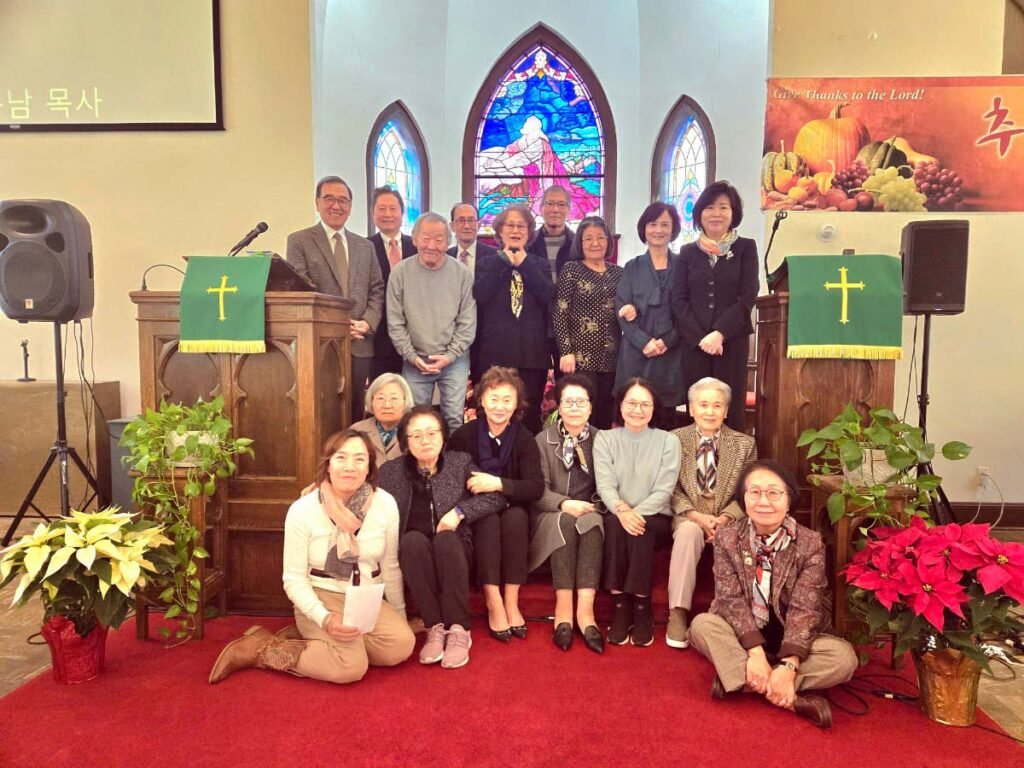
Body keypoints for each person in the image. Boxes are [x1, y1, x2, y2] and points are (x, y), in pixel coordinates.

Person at [209, 430, 414, 685]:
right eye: (341, 458)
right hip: (321, 595)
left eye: (360, 459)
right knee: (350, 667)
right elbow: (293, 580)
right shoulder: (303, 510)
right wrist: (324, 619)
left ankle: (315, 641)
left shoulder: (385, 503)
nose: (350, 467)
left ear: (370, 467)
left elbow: (390, 566)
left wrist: (399, 616)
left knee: (400, 646)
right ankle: (262, 649)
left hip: (364, 597)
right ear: (328, 464)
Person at [689, 460, 858, 729]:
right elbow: (729, 599)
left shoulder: (809, 543)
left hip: (794, 638)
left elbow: (806, 607)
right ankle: (789, 698)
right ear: (743, 499)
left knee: (844, 659)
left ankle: (743, 680)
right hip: (743, 635)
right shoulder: (727, 538)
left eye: (773, 493)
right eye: (754, 492)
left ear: (789, 500)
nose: (763, 501)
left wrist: (790, 664)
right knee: (701, 625)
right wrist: (755, 653)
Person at [379, 406, 506, 668]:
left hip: (456, 551)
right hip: (415, 555)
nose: (425, 440)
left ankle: (459, 629)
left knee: (446, 539)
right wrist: (322, 486)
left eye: (431, 433)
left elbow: (495, 497)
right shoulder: (390, 472)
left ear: (443, 436)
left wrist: (460, 512)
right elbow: (361, 493)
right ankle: (434, 626)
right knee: (411, 541)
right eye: (416, 435)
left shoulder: (460, 463)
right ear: (405, 441)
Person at [448, 366, 544, 642]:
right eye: (494, 399)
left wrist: (498, 484)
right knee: (487, 519)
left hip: (514, 507)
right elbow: (453, 480)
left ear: (516, 404)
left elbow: (535, 488)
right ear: (481, 400)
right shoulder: (464, 436)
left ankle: (511, 600)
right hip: (476, 509)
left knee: (516, 518)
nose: (500, 406)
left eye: (507, 400)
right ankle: (493, 599)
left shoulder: (525, 438)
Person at [666, 377, 757, 650]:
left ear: (726, 411)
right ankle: (678, 611)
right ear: (691, 408)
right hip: (688, 514)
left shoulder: (744, 444)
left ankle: (735, 616)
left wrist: (725, 518)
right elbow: (668, 487)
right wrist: (696, 516)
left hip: (728, 516)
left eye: (717, 406)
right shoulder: (673, 440)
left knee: (735, 535)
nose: (709, 411)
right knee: (688, 533)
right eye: (703, 404)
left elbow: (747, 491)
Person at [286, 176, 384, 425]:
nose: (336, 206)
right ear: (317, 203)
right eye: (329, 199)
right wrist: (337, 326)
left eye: (343, 200)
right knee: (323, 411)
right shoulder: (299, 241)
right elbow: (302, 291)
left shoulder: (365, 246)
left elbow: (377, 290)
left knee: (355, 411)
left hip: (359, 342)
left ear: (350, 206)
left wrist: (367, 323)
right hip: (320, 343)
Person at [595, 378, 681, 647]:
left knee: (641, 528)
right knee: (613, 525)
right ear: (620, 406)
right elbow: (605, 484)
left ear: (654, 408)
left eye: (645, 404)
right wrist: (622, 510)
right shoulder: (605, 439)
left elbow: (664, 490)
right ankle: (621, 605)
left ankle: (642, 606)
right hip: (617, 511)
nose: (637, 410)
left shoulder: (668, 441)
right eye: (631, 403)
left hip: (656, 515)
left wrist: (633, 514)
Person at [671, 180, 759, 432]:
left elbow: (748, 295)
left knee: (729, 406)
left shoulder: (746, 248)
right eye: (709, 207)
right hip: (695, 344)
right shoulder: (687, 252)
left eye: (723, 207)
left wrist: (719, 333)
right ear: (699, 213)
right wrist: (702, 339)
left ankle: (730, 456)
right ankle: (696, 456)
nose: (716, 213)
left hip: (731, 342)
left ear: (733, 213)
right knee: (698, 406)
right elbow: (678, 299)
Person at [528, 373, 605, 653]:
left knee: (591, 522)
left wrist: (592, 505)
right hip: (551, 512)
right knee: (565, 521)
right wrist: (563, 503)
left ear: (591, 407)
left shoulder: (602, 439)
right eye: (568, 402)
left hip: (590, 508)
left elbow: (609, 486)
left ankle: (586, 612)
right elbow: (537, 489)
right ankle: (563, 609)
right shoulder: (542, 440)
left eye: (581, 402)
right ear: (558, 407)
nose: (574, 407)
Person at [387, 212, 476, 432]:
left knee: (454, 419)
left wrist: (450, 356)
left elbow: (467, 321)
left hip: (454, 360)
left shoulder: (462, 273)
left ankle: (453, 456)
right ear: (414, 239)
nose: (432, 246)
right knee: (415, 420)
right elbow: (395, 322)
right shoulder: (399, 273)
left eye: (439, 240)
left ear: (448, 242)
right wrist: (411, 356)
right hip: (415, 360)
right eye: (426, 238)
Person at [473, 205, 553, 434]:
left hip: (532, 357)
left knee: (529, 416)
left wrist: (524, 264)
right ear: (500, 231)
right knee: (492, 416)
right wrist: (503, 262)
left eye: (521, 226)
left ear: (529, 232)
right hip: (494, 356)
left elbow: (547, 295)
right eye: (510, 225)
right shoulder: (487, 262)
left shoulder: (539, 264)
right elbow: (481, 294)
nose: (516, 230)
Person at [615, 202, 684, 428]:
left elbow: (687, 310)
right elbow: (621, 308)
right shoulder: (632, 267)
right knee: (634, 409)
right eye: (653, 224)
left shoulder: (683, 265)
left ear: (673, 229)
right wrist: (643, 342)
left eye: (665, 224)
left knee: (667, 416)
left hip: (671, 352)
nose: (658, 230)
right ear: (644, 228)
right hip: (636, 351)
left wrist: (667, 341)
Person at [552, 216, 623, 429]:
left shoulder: (619, 273)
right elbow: (560, 312)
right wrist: (565, 351)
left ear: (608, 241)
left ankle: (601, 451)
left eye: (600, 237)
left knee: (605, 413)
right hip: (580, 358)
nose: (595, 243)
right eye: (588, 238)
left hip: (612, 357)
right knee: (580, 413)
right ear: (580, 243)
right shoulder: (571, 270)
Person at [369, 186, 417, 380]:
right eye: (381, 209)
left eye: (393, 208)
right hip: (378, 340)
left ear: (402, 213)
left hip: (415, 338)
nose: (387, 214)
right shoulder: (365, 247)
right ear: (372, 213)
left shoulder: (417, 246)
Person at [447, 202, 498, 384]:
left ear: (478, 224)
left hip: (485, 335)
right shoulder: (444, 256)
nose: (467, 225)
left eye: (471, 220)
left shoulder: (495, 256)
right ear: (452, 226)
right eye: (461, 220)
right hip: (451, 336)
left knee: (484, 387)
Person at [351, 373, 415, 465]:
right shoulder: (357, 430)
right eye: (380, 398)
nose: (387, 405)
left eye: (394, 398)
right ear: (371, 401)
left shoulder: (415, 430)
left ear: (406, 401)